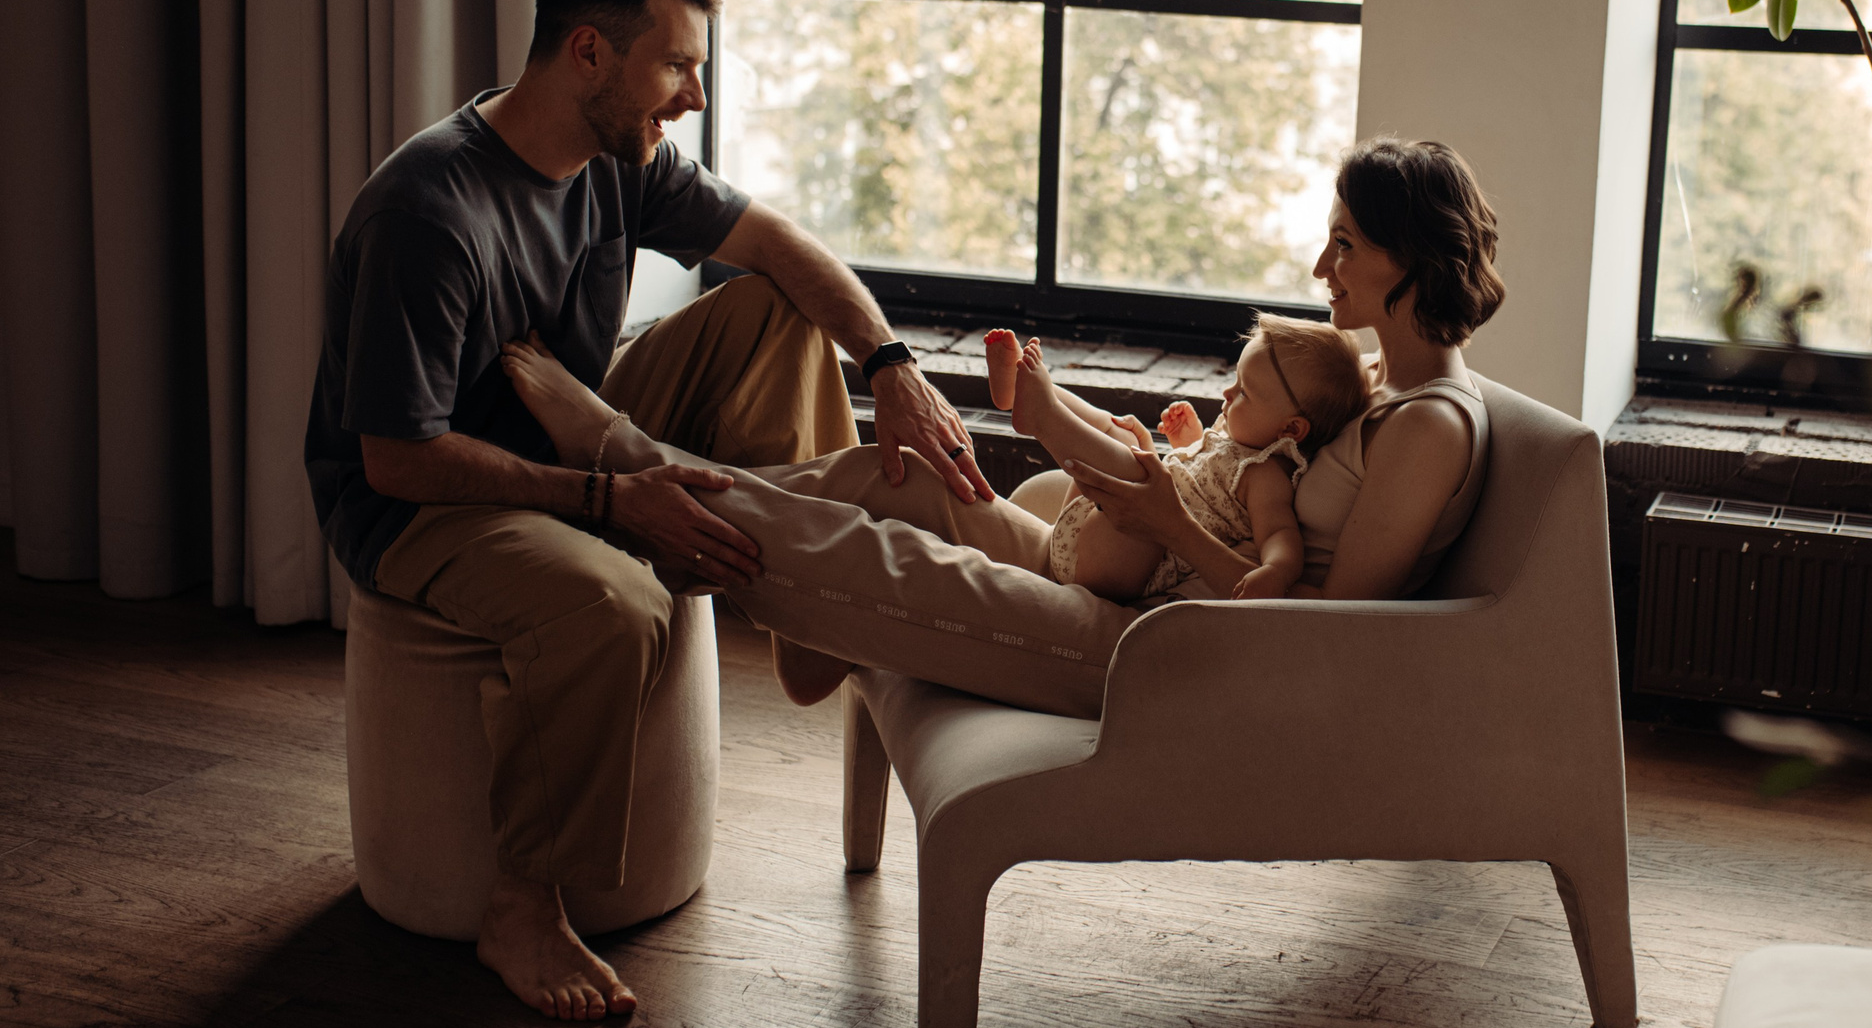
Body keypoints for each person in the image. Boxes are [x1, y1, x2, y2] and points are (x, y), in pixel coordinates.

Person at [305, 0, 991, 1024]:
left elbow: (778, 241)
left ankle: (790, 579)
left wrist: (891, 364)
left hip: (578, 418)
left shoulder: (620, 160)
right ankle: (523, 906)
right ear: (589, 52)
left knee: (777, 303)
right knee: (619, 604)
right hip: (428, 496)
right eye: (678, 67)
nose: (697, 96)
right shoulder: (428, 213)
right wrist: (610, 502)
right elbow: (398, 453)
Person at [494, 137, 1505, 724]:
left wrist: (1166, 516)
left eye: (1346, 243)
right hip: (1141, 589)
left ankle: (622, 460)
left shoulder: (1431, 427)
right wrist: (1185, 461)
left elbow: (1339, 641)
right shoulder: (1376, 384)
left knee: (879, 557)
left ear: (1409, 257)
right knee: (901, 479)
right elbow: (1254, 490)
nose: (1322, 264)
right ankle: (666, 532)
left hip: (1172, 654)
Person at [981, 315, 1368, 605]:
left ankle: (1043, 417)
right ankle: (1020, 393)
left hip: (1125, 560)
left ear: (1291, 431)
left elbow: (1281, 534)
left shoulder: (1265, 473)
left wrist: (1276, 571)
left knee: (1136, 468)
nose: (1227, 392)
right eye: (1235, 379)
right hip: (1096, 525)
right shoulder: (1235, 442)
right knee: (1127, 435)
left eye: (1244, 392)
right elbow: (1202, 482)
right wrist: (1191, 441)